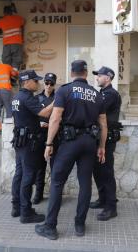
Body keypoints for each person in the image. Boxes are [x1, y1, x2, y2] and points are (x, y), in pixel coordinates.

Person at [35, 60, 108, 240]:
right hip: (89, 143)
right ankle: (79, 225)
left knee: (57, 182)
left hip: (69, 142)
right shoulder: (96, 94)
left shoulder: (64, 90)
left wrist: (49, 144)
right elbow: (103, 124)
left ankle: (50, 227)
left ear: (71, 72)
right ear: (85, 73)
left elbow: (55, 118)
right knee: (85, 184)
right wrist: (102, 147)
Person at [11, 70, 54, 224]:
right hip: (28, 143)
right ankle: (26, 213)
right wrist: (58, 100)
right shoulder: (27, 97)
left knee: (19, 174)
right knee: (28, 177)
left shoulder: (16, 97)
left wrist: (37, 124)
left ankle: (16, 207)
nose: (38, 83)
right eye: (35, 81)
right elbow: (45, 112)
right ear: (26, 82)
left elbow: (23, 118)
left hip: (20, 140)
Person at [90, 66, 122, 221]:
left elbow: (95, 110)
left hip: (107, 139)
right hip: (99, 137)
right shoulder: (102, 93)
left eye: (99, 76)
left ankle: (111, 207)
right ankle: (102, 199)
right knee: (98, 170)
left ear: (108, 78)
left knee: (106, 172)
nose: (97, 78)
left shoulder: (111, 95)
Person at [33, 73, 57, 204]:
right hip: (40, 135)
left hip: (54, 137)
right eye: (46, 82)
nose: (48, 86)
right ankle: (38, 194)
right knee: (39, 167)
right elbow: (32, 117)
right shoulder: (37, 98)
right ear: (43, 83)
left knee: (55, 168)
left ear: (54, 84)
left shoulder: (59, 98)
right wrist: (39, 123)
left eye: (51, 83)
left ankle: (55, 196)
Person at [0, 56, 18, 135]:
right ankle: (9, 129)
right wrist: (14, 70)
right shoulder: (7, 66)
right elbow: (15, 74)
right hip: (6, 90)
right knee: (9, 108)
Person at [0, 5, 25, 71]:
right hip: (17, 43)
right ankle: (14, 73)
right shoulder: (18, 18)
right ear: (12, 12)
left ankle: (8, 72)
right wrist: (15, 13)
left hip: (7, 44)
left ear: (4, 12)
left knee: (6, 60)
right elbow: (23, 21)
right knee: (16, 60)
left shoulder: (2, 21)